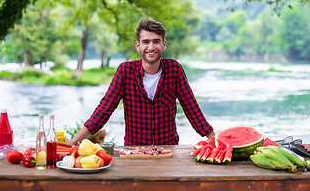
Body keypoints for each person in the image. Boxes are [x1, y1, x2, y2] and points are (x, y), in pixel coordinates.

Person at [67, 19, 215, 146]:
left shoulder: (174, 69)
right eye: (146, 42)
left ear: (164, 44)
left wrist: (215, 139)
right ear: (138, 46)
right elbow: (103, 110)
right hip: (134, 152)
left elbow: (192, 109)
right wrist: (73, 142)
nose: (151, 47)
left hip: (169, 151)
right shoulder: (125, 71)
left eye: (156, 42)